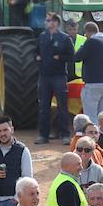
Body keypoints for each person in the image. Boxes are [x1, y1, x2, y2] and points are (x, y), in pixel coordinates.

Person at [35, 14, 74, 144]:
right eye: (46, 20)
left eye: (49, 20)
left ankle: (65, 135)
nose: (46, 22)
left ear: (56, 23)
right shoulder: (42, 36)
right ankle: (43, 135)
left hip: (59, 76)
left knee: (62, 106)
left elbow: (71, 56)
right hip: (44, 76)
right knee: (43, 107)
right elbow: (36, 51)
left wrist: (60, 58)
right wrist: (38, 58)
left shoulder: (64, 38)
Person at [75, 21, 103, 121]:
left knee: (90, 117)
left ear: (87, 32)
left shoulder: (91, 42)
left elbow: (77, 57)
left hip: (92, 84)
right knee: (102, 116)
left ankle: (93, 132)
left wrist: (82, 46)